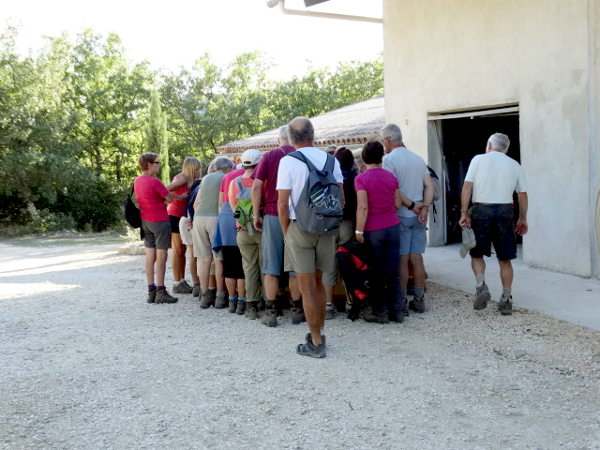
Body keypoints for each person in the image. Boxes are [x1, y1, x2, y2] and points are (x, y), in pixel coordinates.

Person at [277, 117, 344, 358]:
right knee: (319, 284)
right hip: (326, 228)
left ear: (292, 138)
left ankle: (316, 342)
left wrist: (287, 233)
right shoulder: (331, 160)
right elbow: (341, 199)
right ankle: (320, 332)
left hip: (300, 228)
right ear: (313, 134)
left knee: (306, 289)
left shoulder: (288, 162)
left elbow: (282, 204)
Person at [458, 133, 528, 315]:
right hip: (505, 212)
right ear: (506, 149)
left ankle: (481, 286)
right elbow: (522, 195)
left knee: (476, 253)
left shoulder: (478, 160)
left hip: (481, 210)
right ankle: (506, 299)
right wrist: (522, 218)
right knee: (505, 258)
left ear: (489, 145)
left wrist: (464, 213)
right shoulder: (514, 165)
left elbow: (467, 186)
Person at [354, 141, 422, 323]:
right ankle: (397, 311)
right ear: (381, 157)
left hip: (373, 229)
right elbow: (398, 203)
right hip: (392, 226)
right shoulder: (390, 177)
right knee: (393, 271)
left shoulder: (361, 179)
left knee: (375, 271)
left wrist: (359, 230)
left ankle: (380, 311)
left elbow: (362, 207)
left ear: (364, 158)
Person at [251, 126, 303, 327]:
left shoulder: (270, 156)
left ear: (278, 139)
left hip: (273, 213)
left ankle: (271, 311)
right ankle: (296, 310)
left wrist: (257, 214)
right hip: (298, 215)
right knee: (295, 266)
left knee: (271, 265)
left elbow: (256, 186)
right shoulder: (301, 156)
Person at [382, 123, 433, 315]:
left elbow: (394, 190)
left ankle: (402, 300)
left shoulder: (389, 160)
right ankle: (419, 300)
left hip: (402, 213)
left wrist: (411, 204)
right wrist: (424, 207)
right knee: (417, 257)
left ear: (387, 140)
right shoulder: (418, 159)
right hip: (419, 215)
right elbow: (429, 186)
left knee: (403, 259)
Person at [134, 152, 186, 304]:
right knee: (162, 256)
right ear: (149, 164)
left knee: (150, 256)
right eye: (156, 163)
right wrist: (180, 197)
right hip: (160, 220)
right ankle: (161, 290)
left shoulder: (137, 181)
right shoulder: (154, 181)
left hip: (145, 221)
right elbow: (169, 198)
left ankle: (151, 291)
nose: (158, 165)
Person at [192, 156, 234, 309]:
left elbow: (196, 204)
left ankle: (204, 295)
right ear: (228, 168)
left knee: (203, 259)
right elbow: (221, 203)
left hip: (199, 219)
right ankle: (220, 296)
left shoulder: (206, 178)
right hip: (215, 219)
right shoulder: (226, 178)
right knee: (218, 259)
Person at [323, 147, 357, 319]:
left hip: (329, 224)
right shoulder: (354, 178)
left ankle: (328, 305)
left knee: (328, 264)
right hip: (347, 224)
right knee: (347, 264)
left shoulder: (328, 176)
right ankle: (350, 302)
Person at [230, 149, 263, 320]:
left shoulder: (235, 182)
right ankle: (268, 301)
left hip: (243, 230)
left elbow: (233, 206)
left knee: (249, 267)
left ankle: (252, 305)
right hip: (262, 229)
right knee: (266, 266)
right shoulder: (262, 181)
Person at [213, 160, 245, 311]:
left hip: (225, 218)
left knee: (230, 264)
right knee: (244, 265)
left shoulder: (227, 177)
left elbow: (220, 203)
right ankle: (242, 302)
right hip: (244, 219)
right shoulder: (252, 176)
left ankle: (232, 301)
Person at [167, 157, 202, 295]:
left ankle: (181, 281)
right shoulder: (182, 178)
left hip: (181, 215)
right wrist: (180, 197)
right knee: (178, 251)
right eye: (197, 168)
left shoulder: (190, 179)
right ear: (192, 168)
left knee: (183, 251)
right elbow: (165, 190)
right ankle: (177, 282)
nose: (199, 171)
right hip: (175, 215)